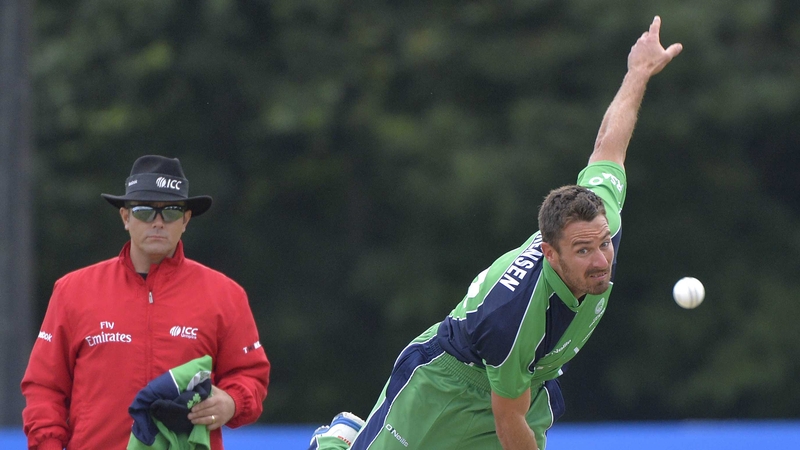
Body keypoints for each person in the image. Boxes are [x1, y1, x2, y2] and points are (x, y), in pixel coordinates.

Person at [309, 16, 682, 450]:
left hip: (524, 386)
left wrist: (637, 73)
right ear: (550, 253)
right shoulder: (516, 315)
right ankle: (340, 439)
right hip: (445, 386)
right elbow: (508, 420)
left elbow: (608, 146)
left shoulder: (602, 219)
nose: (601, 259)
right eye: (583, 251)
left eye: (602, 244)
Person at [21, 155, 271, 450]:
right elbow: (45, 387)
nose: (158, 222)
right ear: (125, 217)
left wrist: (231, 401)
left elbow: (250, 375)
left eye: (171, 211)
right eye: (144, 211)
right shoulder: (72, 291)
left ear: (186, 220)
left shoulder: (225, 294)